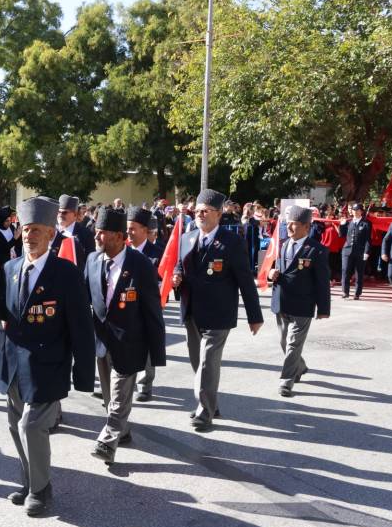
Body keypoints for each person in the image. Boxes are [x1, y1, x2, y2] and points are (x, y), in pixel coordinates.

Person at [0, 196, 94, 516]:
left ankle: (42, 490)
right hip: (16, 362)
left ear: (50, 234)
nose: (29, 236)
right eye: (25, 229)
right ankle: (30, 481)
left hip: (49, 364)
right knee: (14, 424)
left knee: (31, 427)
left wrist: (83, 374)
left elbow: (81, 328)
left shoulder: (65, 272)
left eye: (36, 231)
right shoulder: (12, 266)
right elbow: (9, 311)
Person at [172, 188, 264, 432]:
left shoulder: (232, 242)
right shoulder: (187, 238)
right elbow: (178, 267)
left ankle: (204, 413)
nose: (200, 215)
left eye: (205, 211)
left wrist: (255, 316)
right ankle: (211, 403)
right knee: (197, 362)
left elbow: (245, 280)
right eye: (197, 211)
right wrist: (176, 276)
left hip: (218, 313)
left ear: (219, 214)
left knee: (207, 362)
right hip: (192, 310)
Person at [84, 208, 166, 464]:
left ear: (119, 236)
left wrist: (157, 351)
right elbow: (84, 297)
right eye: (96, 231)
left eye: (103, 232)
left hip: (130, 342)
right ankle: (123, 431)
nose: (97, 237)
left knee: (119, 395)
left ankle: (108, 441)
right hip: (101, 342)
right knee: (110, 397)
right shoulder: (92, 260)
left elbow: (153, 311)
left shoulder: (140, 265)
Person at [267, 206, 330, 397]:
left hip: (303, 304)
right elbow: (276, 267)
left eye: (293, 224)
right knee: (284, 342)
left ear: (306, 226)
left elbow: (322, 282)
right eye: (288, 224)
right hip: (282, 301)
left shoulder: (317, 250)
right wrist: (271, 274)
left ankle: (286, 381)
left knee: (293, 344)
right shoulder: (283, 244)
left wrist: (323, 308)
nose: (289, 227)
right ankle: (300, 366)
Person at [126, 206, 163, 402]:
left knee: (147, 346)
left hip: (147, 308)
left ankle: (145, 384)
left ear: (144, 230)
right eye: (127, 229)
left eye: (133, 229)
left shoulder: (157, 253)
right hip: (124, 306)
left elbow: (163, 280)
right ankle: (123, 381)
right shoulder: (121, 250)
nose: (129, 233)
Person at [52, 194, 95, 271]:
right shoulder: (52, 231)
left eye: (64, 212)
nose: (60, 215)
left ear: (75, 215)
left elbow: (90, 261)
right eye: (59, 212)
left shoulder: (85, 234)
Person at [339, 203, 372, 300]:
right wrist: (342, 225)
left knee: (359, 272)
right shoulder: (349, 222)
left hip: (360, 251)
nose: (356, 212)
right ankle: (345, 292)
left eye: (358, 210)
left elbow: (368, 239)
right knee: (345, 271)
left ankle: (357, 293)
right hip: (347, 250)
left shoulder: (366, 223)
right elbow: (342, 235)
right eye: (354, 210)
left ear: (361, 211)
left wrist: (366, 252)